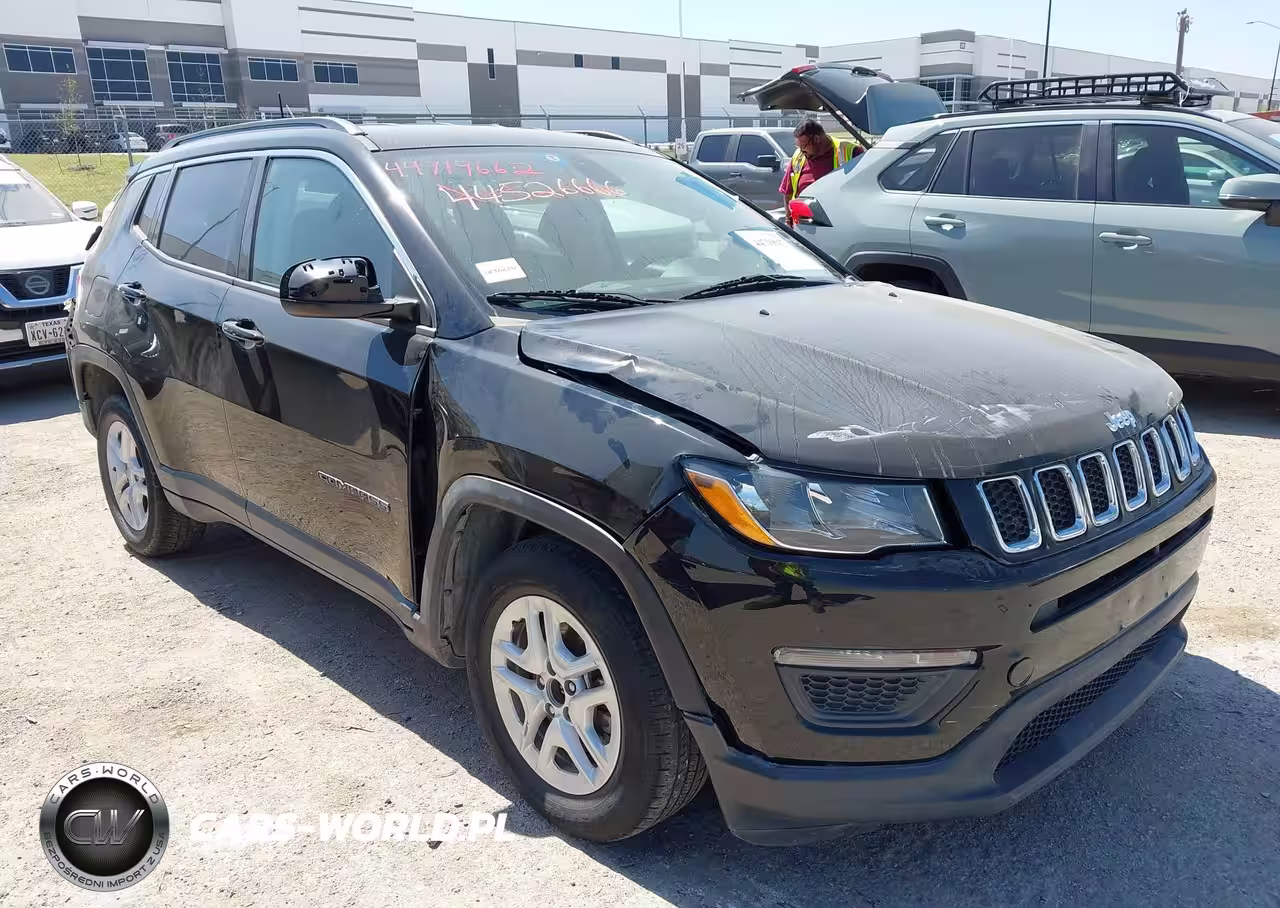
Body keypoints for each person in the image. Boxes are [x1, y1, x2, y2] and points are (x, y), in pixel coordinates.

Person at [779, 120, 863, 221]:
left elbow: (864, 190)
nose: (801, 151)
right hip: (803, 223)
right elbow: (787, 192)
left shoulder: (851, 152)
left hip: (839, 221)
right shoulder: (799, 156)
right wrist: (789, 220)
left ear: (816, 139)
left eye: (804, 146)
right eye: (798, 146)